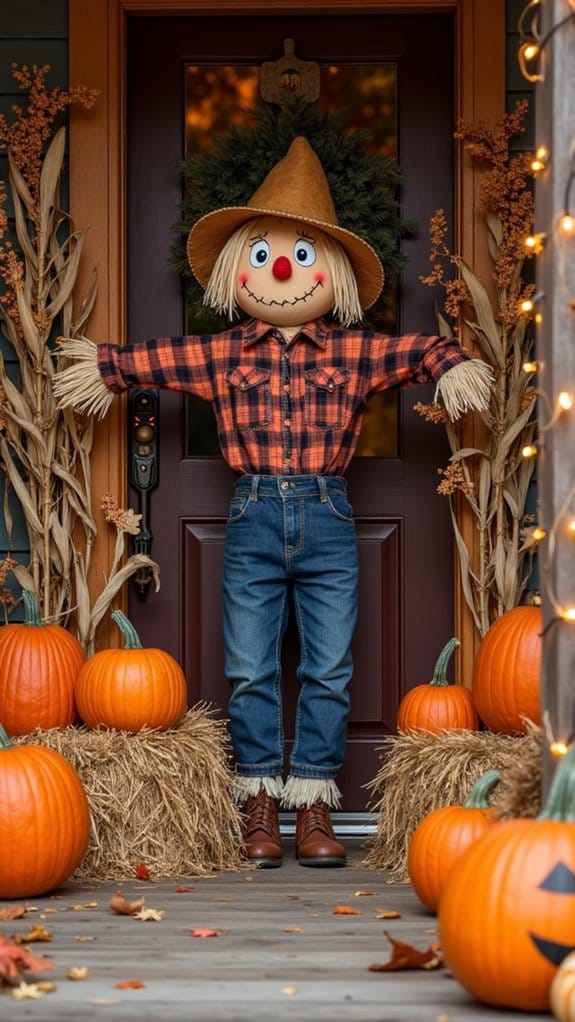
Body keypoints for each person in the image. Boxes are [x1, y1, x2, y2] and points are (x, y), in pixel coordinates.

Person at [54, 136, 492, 869]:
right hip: (252, 515)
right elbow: (143, 361)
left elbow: (419, 350)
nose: (283, 269)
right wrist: (99, 369)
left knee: (328, 667)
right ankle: (259, 802)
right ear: (236, 271)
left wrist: (451, 368)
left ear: (337, 277)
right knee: (251, 666)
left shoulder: (353, 354)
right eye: (263, 256)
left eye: (300, 256)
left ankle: (314, 803)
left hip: (327, 515)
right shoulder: (223, 353)